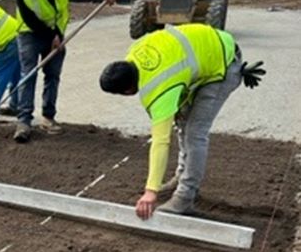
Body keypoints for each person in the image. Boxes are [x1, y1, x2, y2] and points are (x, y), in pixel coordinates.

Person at [99, 23, 266, 218]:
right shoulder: (135, 52)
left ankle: (185, 197)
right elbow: (180, 69)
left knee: (195, 133)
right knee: (182, 121)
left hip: (224, 66)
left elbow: (160, 141)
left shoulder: (157, 88)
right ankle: (181, 176)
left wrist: (150, 192)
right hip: (211, 48)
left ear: (127, 90)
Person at [12, 0, 119, 143]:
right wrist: (52, 35)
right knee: (28, 73)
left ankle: (48, 117)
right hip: (30, 33)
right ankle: (24, 121)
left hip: (57, 31)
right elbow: (29, 19)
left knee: (53, 74)